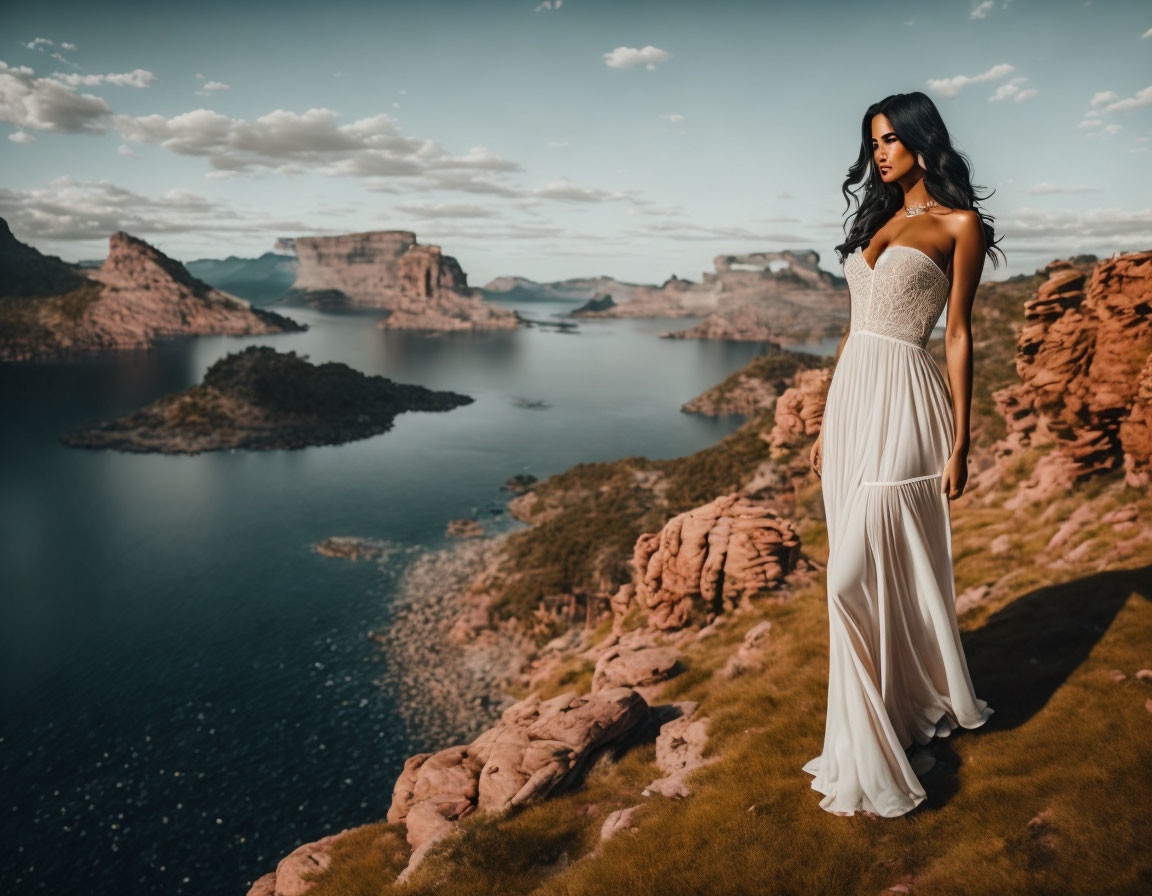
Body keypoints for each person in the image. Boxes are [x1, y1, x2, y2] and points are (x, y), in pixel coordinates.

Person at [802, 90, 1002, 818]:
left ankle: (885, 735)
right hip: (855, 400)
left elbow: (956, 334)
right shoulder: (877, 219)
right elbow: (855, 330)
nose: (878, 153)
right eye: (872, 142)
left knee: (850, 574)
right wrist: (826, 419)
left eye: (888, 139)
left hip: (910, 401)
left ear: (921, 139)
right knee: (864, 574)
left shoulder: (960, 224)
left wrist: (962, 437)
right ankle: (883, 720)